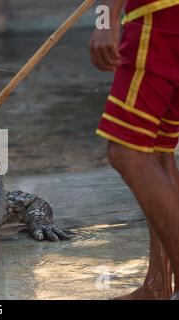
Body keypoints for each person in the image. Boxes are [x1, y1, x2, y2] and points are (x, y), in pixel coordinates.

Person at [89, 0, 179, 299]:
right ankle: (159, 284)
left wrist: (105, 20)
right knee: (156, 150)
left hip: (159, 15)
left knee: (127, 153)